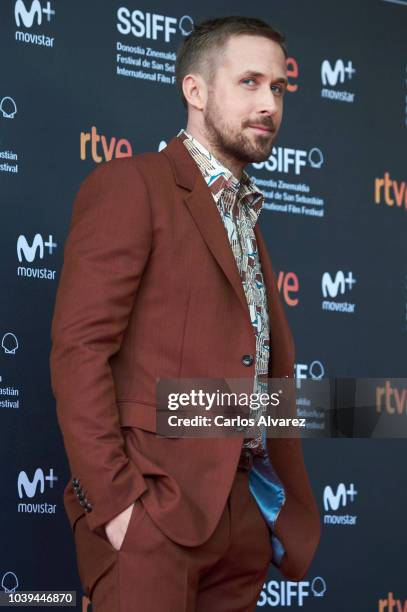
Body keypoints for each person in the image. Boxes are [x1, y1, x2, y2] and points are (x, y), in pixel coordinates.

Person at [50, 15, 320, 612]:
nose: (268, 102)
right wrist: (119, 507)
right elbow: (80, 350)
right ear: (194, 91)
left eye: (277, 87)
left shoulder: (247, 217)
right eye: (249, 82)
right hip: (156, 514)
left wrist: (259, 510)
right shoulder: (133, 185)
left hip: (243, 514)